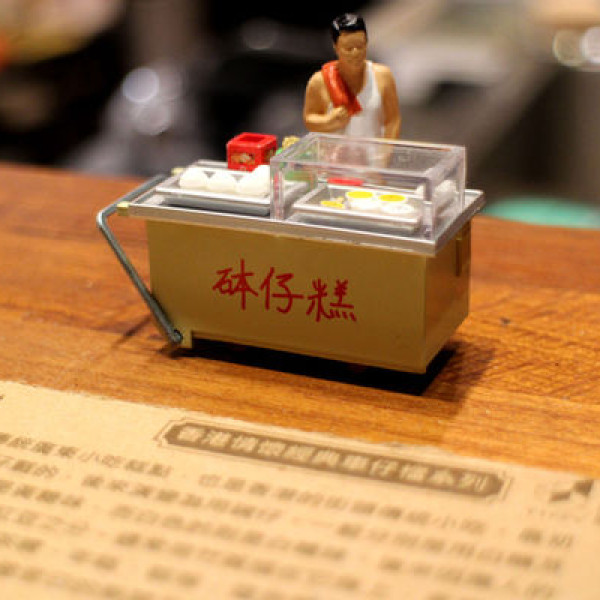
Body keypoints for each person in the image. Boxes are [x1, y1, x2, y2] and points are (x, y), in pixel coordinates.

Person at [303, 13, 401, 140]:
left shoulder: (383, 76)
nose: (355, 53)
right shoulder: (319, 82)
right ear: (336, 47)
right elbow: (309, 119)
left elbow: (393, 120)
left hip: (373, 151)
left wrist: (386, 149)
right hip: (333, 151)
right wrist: (329, 121)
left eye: (360, 46)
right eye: (348, 48)